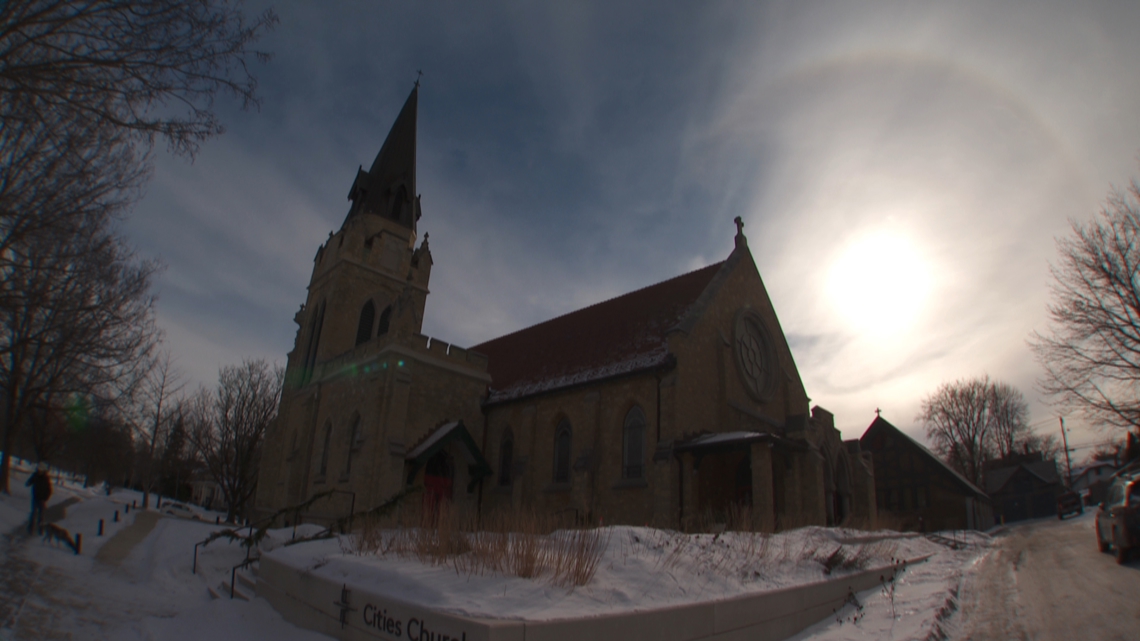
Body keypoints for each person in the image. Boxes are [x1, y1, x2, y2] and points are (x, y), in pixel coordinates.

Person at [25, 462, 52, 534]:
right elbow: (29, 481)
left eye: (40, 470)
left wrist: (45, 498)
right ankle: (30, 529)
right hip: (35, 497)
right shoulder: (35, 475)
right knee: (33, 514)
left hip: (42, 499)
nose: (39, 471)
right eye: (38, 469)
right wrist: (28, 483)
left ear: (43, 470)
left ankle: (41, 530)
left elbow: (49, 490)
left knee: (41, 515)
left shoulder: (46, 478)